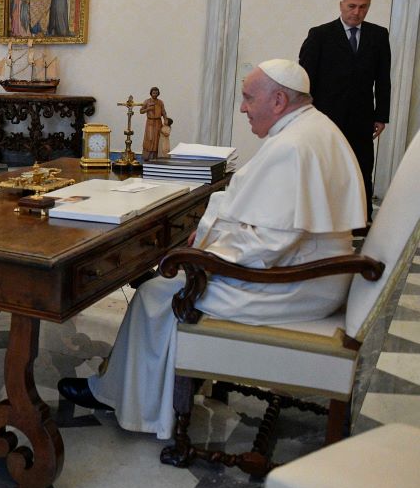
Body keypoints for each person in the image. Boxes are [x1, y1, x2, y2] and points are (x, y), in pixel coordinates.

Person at [57, 59, 366, 440]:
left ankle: (130, 402)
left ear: (280, 100)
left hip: (294, 286)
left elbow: (270, 243)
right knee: (171, 281)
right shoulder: (315, 127)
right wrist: (209, 238)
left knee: (157, 293)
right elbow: (277, 227)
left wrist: (205, 254)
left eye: (249, 98)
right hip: (316, 274)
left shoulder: (293, 146)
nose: (243, 108)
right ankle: (145, 386)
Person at [298, 0, 391, 221]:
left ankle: (361, 219)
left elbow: (382, 79)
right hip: (325, 116)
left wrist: (381, 115)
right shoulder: (320, 35)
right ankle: (322, 217)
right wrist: (303, 114)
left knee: (361, 168)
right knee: (325, 168)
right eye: (352, 6)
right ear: (341, 5)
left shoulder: (379, 36)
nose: (357, 12)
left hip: (362, 117)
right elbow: (305, 78)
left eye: (363, 7)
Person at [139, 86, 169, 161]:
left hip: (158, 122)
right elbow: (141, 111)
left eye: (156, 92)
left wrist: (165, 119)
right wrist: (148, 109)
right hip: (150, 122)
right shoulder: (147, 101)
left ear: (158, 93)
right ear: (151, 93)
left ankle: (156, 156)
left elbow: (163, 112)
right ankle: (147, 156)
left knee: (157, 138)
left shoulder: (160, 102)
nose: (155, 94)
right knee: (150, 138)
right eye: (153, 92)